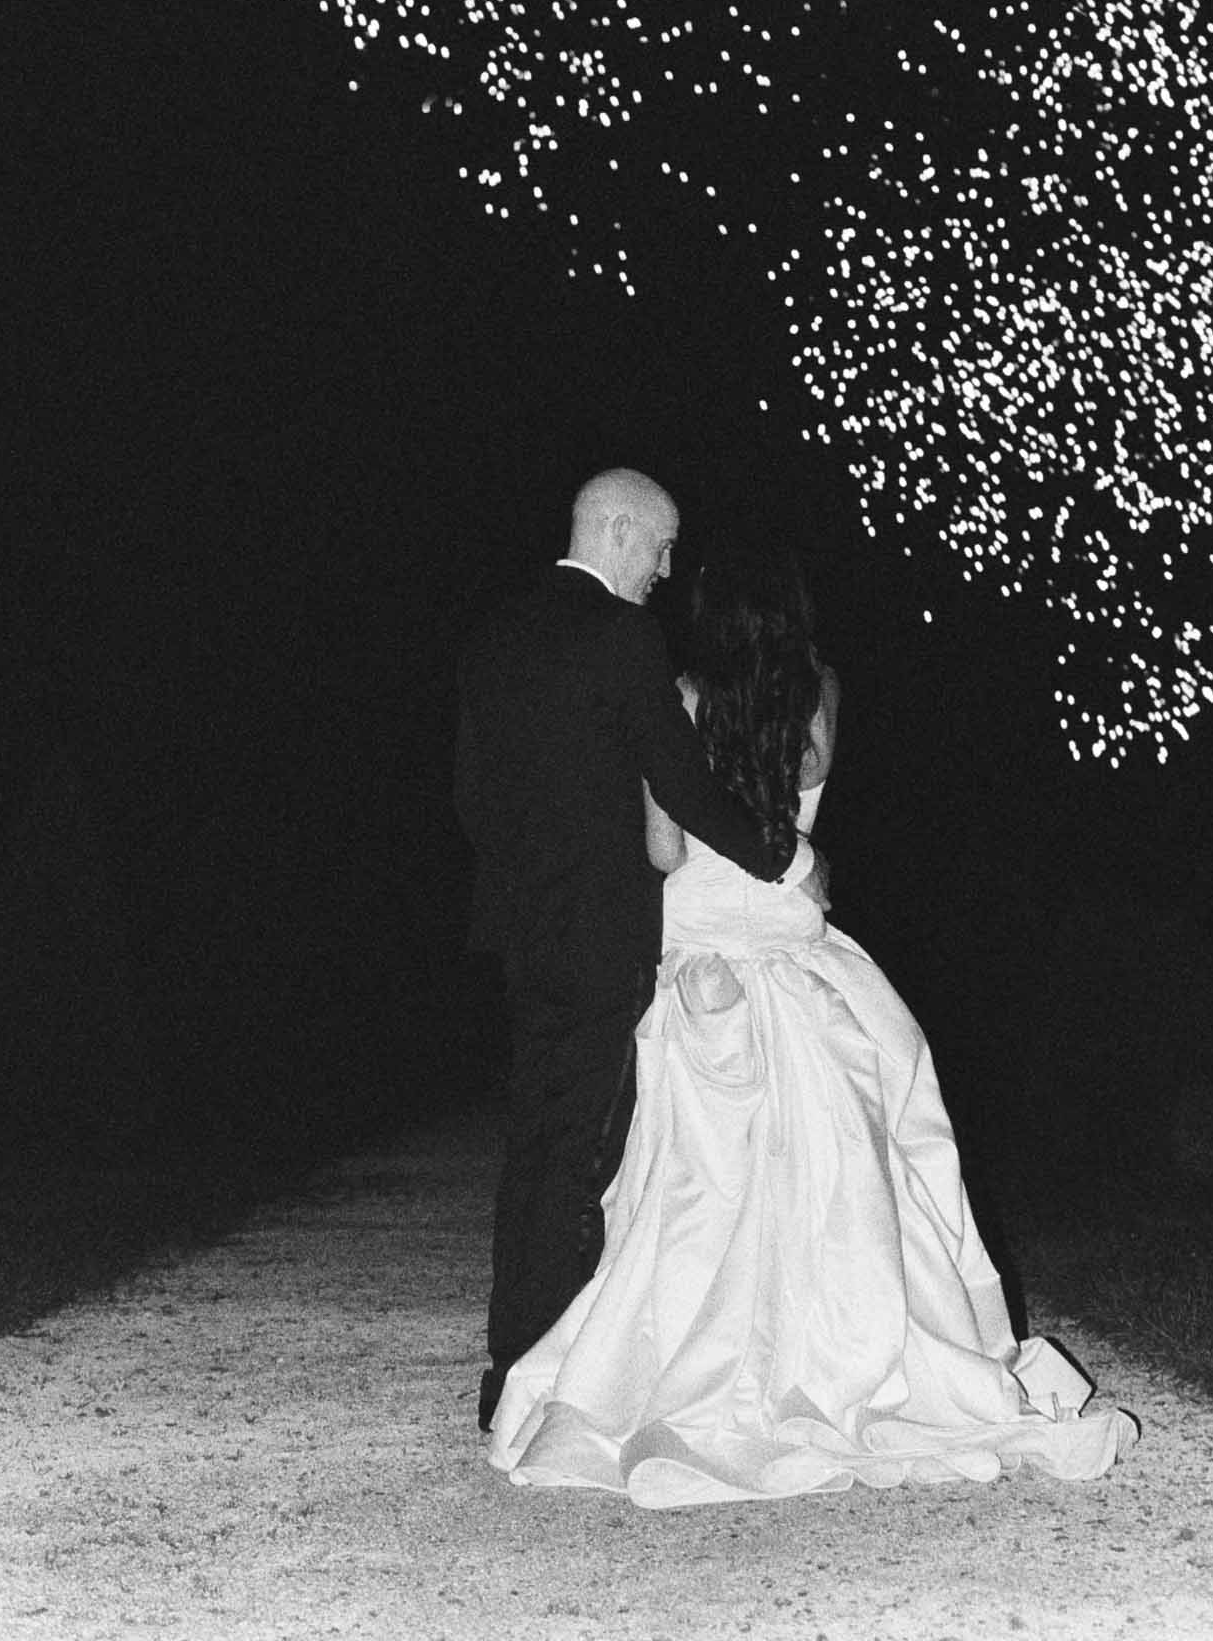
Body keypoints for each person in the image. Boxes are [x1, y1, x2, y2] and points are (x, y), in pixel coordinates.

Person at [488, 541, 1139, 1504]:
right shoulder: (822, 692)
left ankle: (670, 1370)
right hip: (795, 938)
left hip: (704, 938)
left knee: (699, 1179)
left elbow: (665, 846)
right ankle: (860, 1359)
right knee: (853, 1158)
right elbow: (806, 800)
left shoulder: (683, 692)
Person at [454, 472, 792, 1433]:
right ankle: (550, 1382)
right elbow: (680, 784)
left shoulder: (497, 633)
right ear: (615, 528)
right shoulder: (619, 635)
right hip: (601, 936)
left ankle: (510, 1363)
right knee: (584, 1157)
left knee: (534, 1142)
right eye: (661, 545)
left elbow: (471, 796)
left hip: (523, 933)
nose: (667, 569)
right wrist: (770, 852)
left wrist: (528, 886)